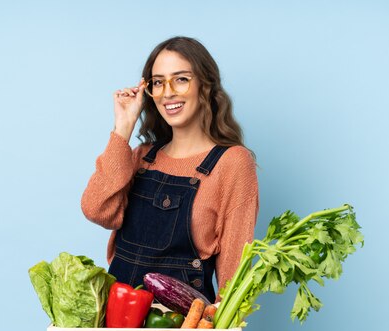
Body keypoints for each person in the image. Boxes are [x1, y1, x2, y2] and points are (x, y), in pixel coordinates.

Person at [81, 36, 258, 303]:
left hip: (184, 330)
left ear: (206, 86)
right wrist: (123, 129)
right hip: (118, 326)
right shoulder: (141, 157)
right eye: (158, 82)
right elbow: (97, 210)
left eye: (181, 79)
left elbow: (235, 276)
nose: (168, 92)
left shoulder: (232, 163)